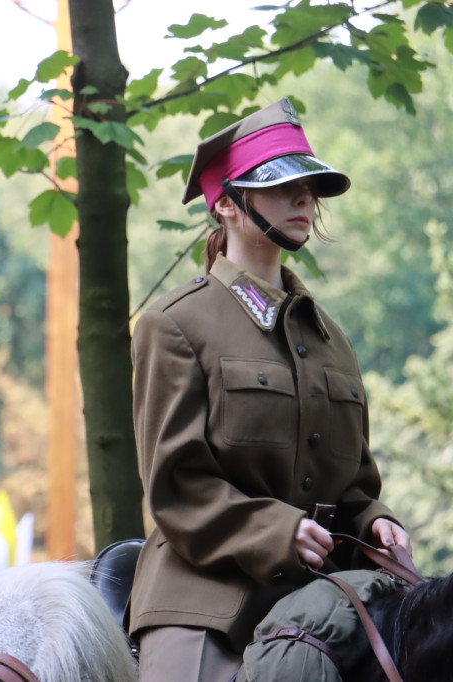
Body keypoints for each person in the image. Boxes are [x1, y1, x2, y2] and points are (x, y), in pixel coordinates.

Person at [126, 97, 411, 682]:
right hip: (205, 598)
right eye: (283, 186)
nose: (305, 199)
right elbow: (177, 487)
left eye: (310, 187)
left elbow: (353, 482)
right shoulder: (175, 324)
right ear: (227, 203)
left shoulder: (332, 337)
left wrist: (374, 519)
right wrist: (275, 530)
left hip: (329, 592)